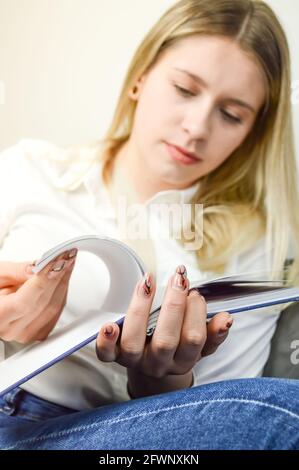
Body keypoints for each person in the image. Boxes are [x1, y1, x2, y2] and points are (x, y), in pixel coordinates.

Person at [0, 0, 298, 450]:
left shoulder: (257, 244)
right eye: (184, 89)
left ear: (253, 132)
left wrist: (164, 379)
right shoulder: (30, 171)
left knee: (283, 413)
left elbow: (216, 419)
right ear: (141, 77)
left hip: (111, 436)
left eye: (231, 114)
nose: (196, 127)